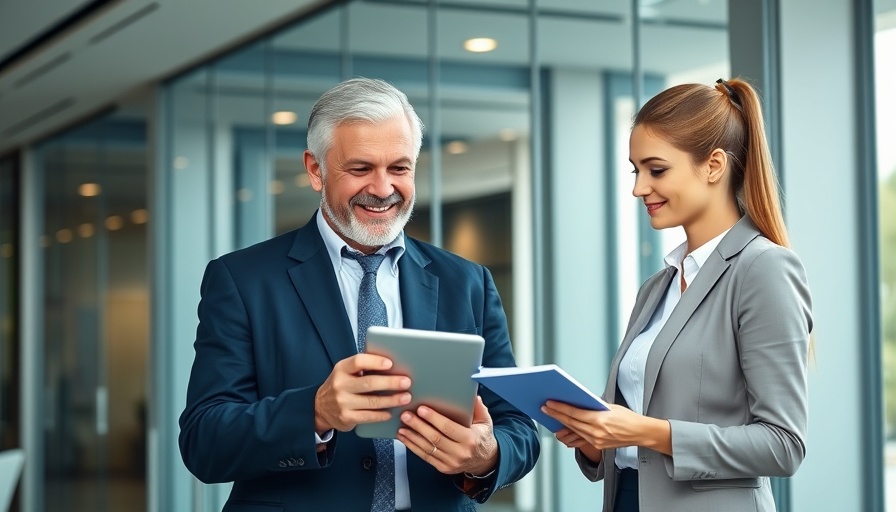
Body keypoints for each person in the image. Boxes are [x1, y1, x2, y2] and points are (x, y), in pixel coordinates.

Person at [178, 77, 539, 511]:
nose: (383, 188)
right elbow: (204, 442)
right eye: (361, 168)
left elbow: (518, 426)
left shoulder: (467, 281)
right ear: (316, 170)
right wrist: (315, 411)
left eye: (400, 168)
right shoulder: (242, 280)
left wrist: (486, 454)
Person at [542, 78, 813, 512]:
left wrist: (646, 431)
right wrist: (594, 439)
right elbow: (629, 441)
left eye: (656, 169)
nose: (638, 188)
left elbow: (783, 445)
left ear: (713, 165)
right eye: (635, 170)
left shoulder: (762, 268)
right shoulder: (657, 287)